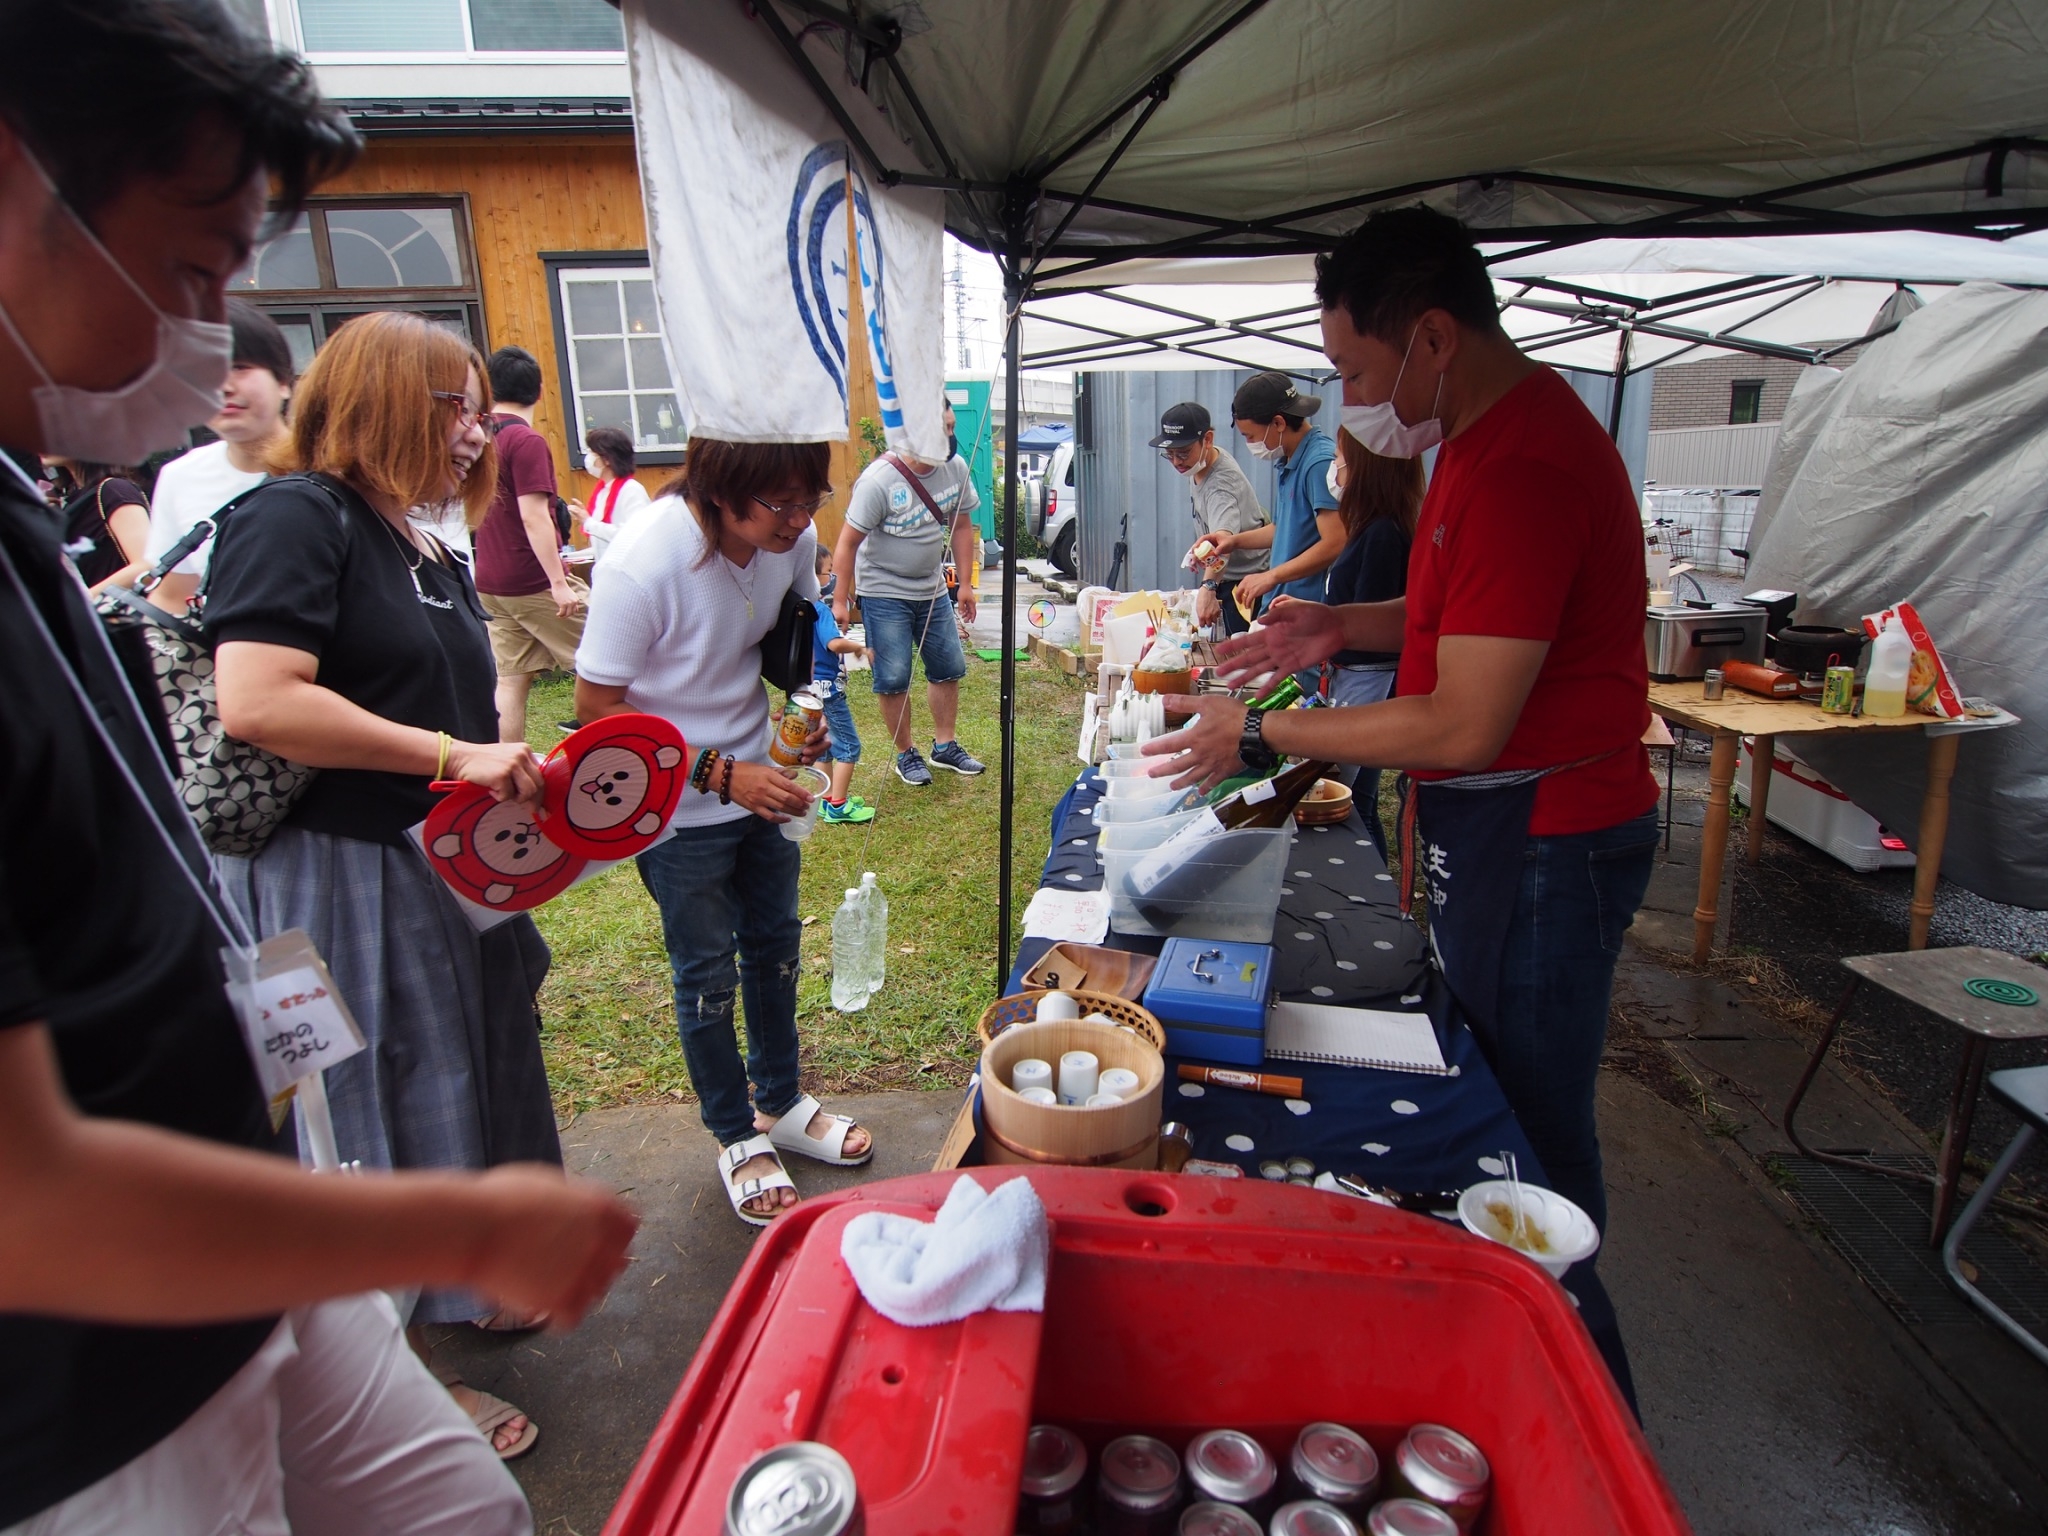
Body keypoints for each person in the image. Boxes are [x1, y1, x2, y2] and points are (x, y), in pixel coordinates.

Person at [0, 4, 635, 1533]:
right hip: (94, 1381)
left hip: (238, 1204)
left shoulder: (26, 509)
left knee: (461, 1512)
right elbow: (27, 1201)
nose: (220, 337)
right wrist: (455, 1222)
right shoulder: (294, 519)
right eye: (195, 267)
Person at [1147, 205, 1658, 1403]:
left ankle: (1579, 1398)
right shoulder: (1470, 442)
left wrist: (1261, 727)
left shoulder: (1524, 461)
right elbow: (1457, 625)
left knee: (1526, 1128)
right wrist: (1339, 623)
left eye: (1353, 369)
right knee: (1492, 1088)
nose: (1348, 396)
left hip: (1549, 836)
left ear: (1431, 337)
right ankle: (1518, 1353)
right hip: (1498, 824)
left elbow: (1462, 717)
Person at [208, 311, 571, 1452]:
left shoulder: (408, 535)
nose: (477, 433)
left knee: (463, 1070)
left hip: (436, 868)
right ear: (377, 402)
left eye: (476, 407)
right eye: (453, 408)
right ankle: (397, 1377)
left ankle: (455, 1283)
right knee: (364, 1110)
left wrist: (504, 766)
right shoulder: (293, 515)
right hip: (338, 875)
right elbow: (258, 699)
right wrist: (454, 756)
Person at [575, 441, 877, 1226]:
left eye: (813, 499)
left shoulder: (794, 540)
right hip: (675, 810)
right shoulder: (646, 562)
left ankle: (778, 1101)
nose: (802, 521)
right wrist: (716, 772)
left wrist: (795, 732)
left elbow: (778, 642)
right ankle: (735, 1133)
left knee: (775, 948)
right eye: (781, 504)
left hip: (763, 786)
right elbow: (595, 709)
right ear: (719, 489)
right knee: (706, 970)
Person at [831, 400, 985, 787]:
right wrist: (839, 599)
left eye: (951, 428)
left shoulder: (955, 469)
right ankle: (906, 753)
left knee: (948, 667)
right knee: (894, 675)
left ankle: (945, 746)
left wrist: (964, 584)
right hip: (883, 590)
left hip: (931, 588)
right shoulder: (879, 481)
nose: (950, 439)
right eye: (943, 431)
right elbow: (848, 543)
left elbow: (962, 526)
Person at [141, 297, 294, 612]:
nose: (223, 386)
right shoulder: (180, 476)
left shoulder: (337, 467)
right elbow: (172, 596)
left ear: (283, 382)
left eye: (239, 367)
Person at [1321, 431, 1423, 859]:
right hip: (1358, 680)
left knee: (1348, 799)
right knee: (1356, 799)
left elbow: (1372, 623)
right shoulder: (1374, 527)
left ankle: (1372, 893)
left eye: (1340, 458)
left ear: (1366, 467)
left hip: (1367, 683)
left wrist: (1321, 629)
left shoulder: (1383, 533)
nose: (1336, 470)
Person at [472, 344, 580, 742]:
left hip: (489, 582)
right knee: (607, 658)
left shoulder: (480, 439)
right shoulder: (525, 441)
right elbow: (534, 515)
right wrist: (557, 581)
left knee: (512, 681)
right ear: (538, 391)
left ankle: (508, 767)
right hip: (531, 579)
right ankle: (614, 755)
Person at [1214, 371, 1345, 618]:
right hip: (1281, 609)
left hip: (1305, 611)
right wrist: (1233, 542)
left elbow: (1335, 541)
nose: (1249, 444)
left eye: (1250, 436)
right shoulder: (1291, 459)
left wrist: (1272, 576)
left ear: (1278, 423)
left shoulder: (1318, 463)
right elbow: (1283, 529)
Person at [1154, 400, 1267, 635]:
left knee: (1245, 659)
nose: (1176, 462)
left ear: (1207, 439)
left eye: (1183, 453)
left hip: (1245, 584)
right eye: (1170, 454)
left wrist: (1208, 587)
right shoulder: (1202, 462)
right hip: (1231, 576)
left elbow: (1222, 542)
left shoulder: (1220, 486)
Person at [811, 544, 875, 824]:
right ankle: (838, 805)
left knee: (822, 745)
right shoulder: (820, 611)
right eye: (827, 572)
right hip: (829, 692)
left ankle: (825, 799)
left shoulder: (798, 610)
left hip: (808, 691)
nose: (831, 578)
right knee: (848, 746)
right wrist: (859, 649)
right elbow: (833, 643)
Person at [42, 455, 149, 590]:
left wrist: (84, 601)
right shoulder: (72, 501)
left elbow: (145, 565)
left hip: (120, 607)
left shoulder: (113, 490)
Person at [577, 423, 651, 562]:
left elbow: (634, 535)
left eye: (592, 452)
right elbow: (602, 544)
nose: (589, 457)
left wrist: (588, 522)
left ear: (607, 459)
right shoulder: (602, 491)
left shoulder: (631, 491)